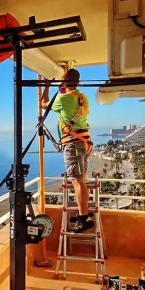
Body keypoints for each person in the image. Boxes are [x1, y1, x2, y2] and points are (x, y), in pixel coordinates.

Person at [41, 69, 94, 233]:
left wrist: (47, 86)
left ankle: (84, 218)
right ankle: (83, 214)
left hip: (73, 144)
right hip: (85, 142)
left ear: (64, 81)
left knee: (77, 181)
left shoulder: (62, 99)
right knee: (81, 180)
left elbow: (43, 104)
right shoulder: (83, 98)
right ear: (78, 82)